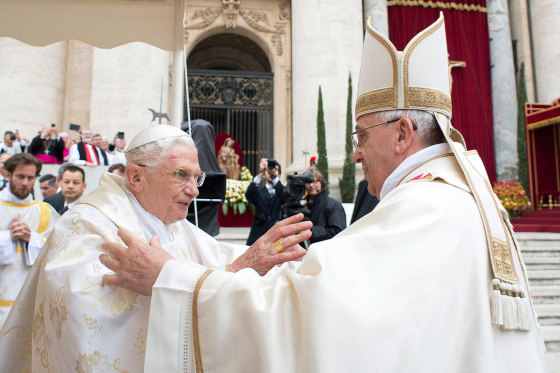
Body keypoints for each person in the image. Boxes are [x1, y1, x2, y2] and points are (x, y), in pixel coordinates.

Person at [95, 15, 546, 372]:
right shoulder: (450, 196)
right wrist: (243, 265)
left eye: (361, 136)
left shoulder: (426, 207)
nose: (354, 155)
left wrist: (173, 280)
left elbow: (308, 316)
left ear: (403, 132)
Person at [0, 124, 311, 372]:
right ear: (136, 176)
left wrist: (258, 261)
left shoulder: (176, 225)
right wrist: (222, 278)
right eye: (181, 175)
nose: (194, 189)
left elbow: (220, 259)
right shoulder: (87, 225)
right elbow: (86, 325)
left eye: (197, 176)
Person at [0, 153, 59, 327]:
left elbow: (60, 250)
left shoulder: (44, 211)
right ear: (7, 174)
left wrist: (31, 239)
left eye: (30, 178)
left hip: (30, 300)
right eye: (20, 177)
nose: (25, 182)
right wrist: (6, 237)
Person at [245, 158, 285, 245]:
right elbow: (248, 194)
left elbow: (285, 197)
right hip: (258, 235)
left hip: (276, 236)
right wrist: (261, 171)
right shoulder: (258, 191)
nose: (271, 172)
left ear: (279, 174)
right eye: (268, 171)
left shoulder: (282, 191)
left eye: (276, 170)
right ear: (264, 175)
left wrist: (274, 176)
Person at [303, 168, 346, 243]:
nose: (311, 185)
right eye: (308, 182)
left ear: (322, 183)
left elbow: (338, 232)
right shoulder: (303, 205)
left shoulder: (333, 205)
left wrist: (310, 231)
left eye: (315, 182)